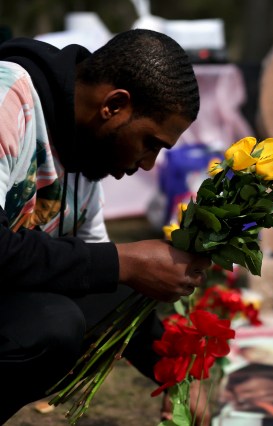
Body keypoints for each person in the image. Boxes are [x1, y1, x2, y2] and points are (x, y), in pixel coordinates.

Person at [0, 29, 211, 422]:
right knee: (52, 326)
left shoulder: (82, 150)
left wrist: (178, 373)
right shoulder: (8, 97)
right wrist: (126, 262)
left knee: (88, 289)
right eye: (151, 142)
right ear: (114, 105)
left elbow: (98, 285)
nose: (148, 164)